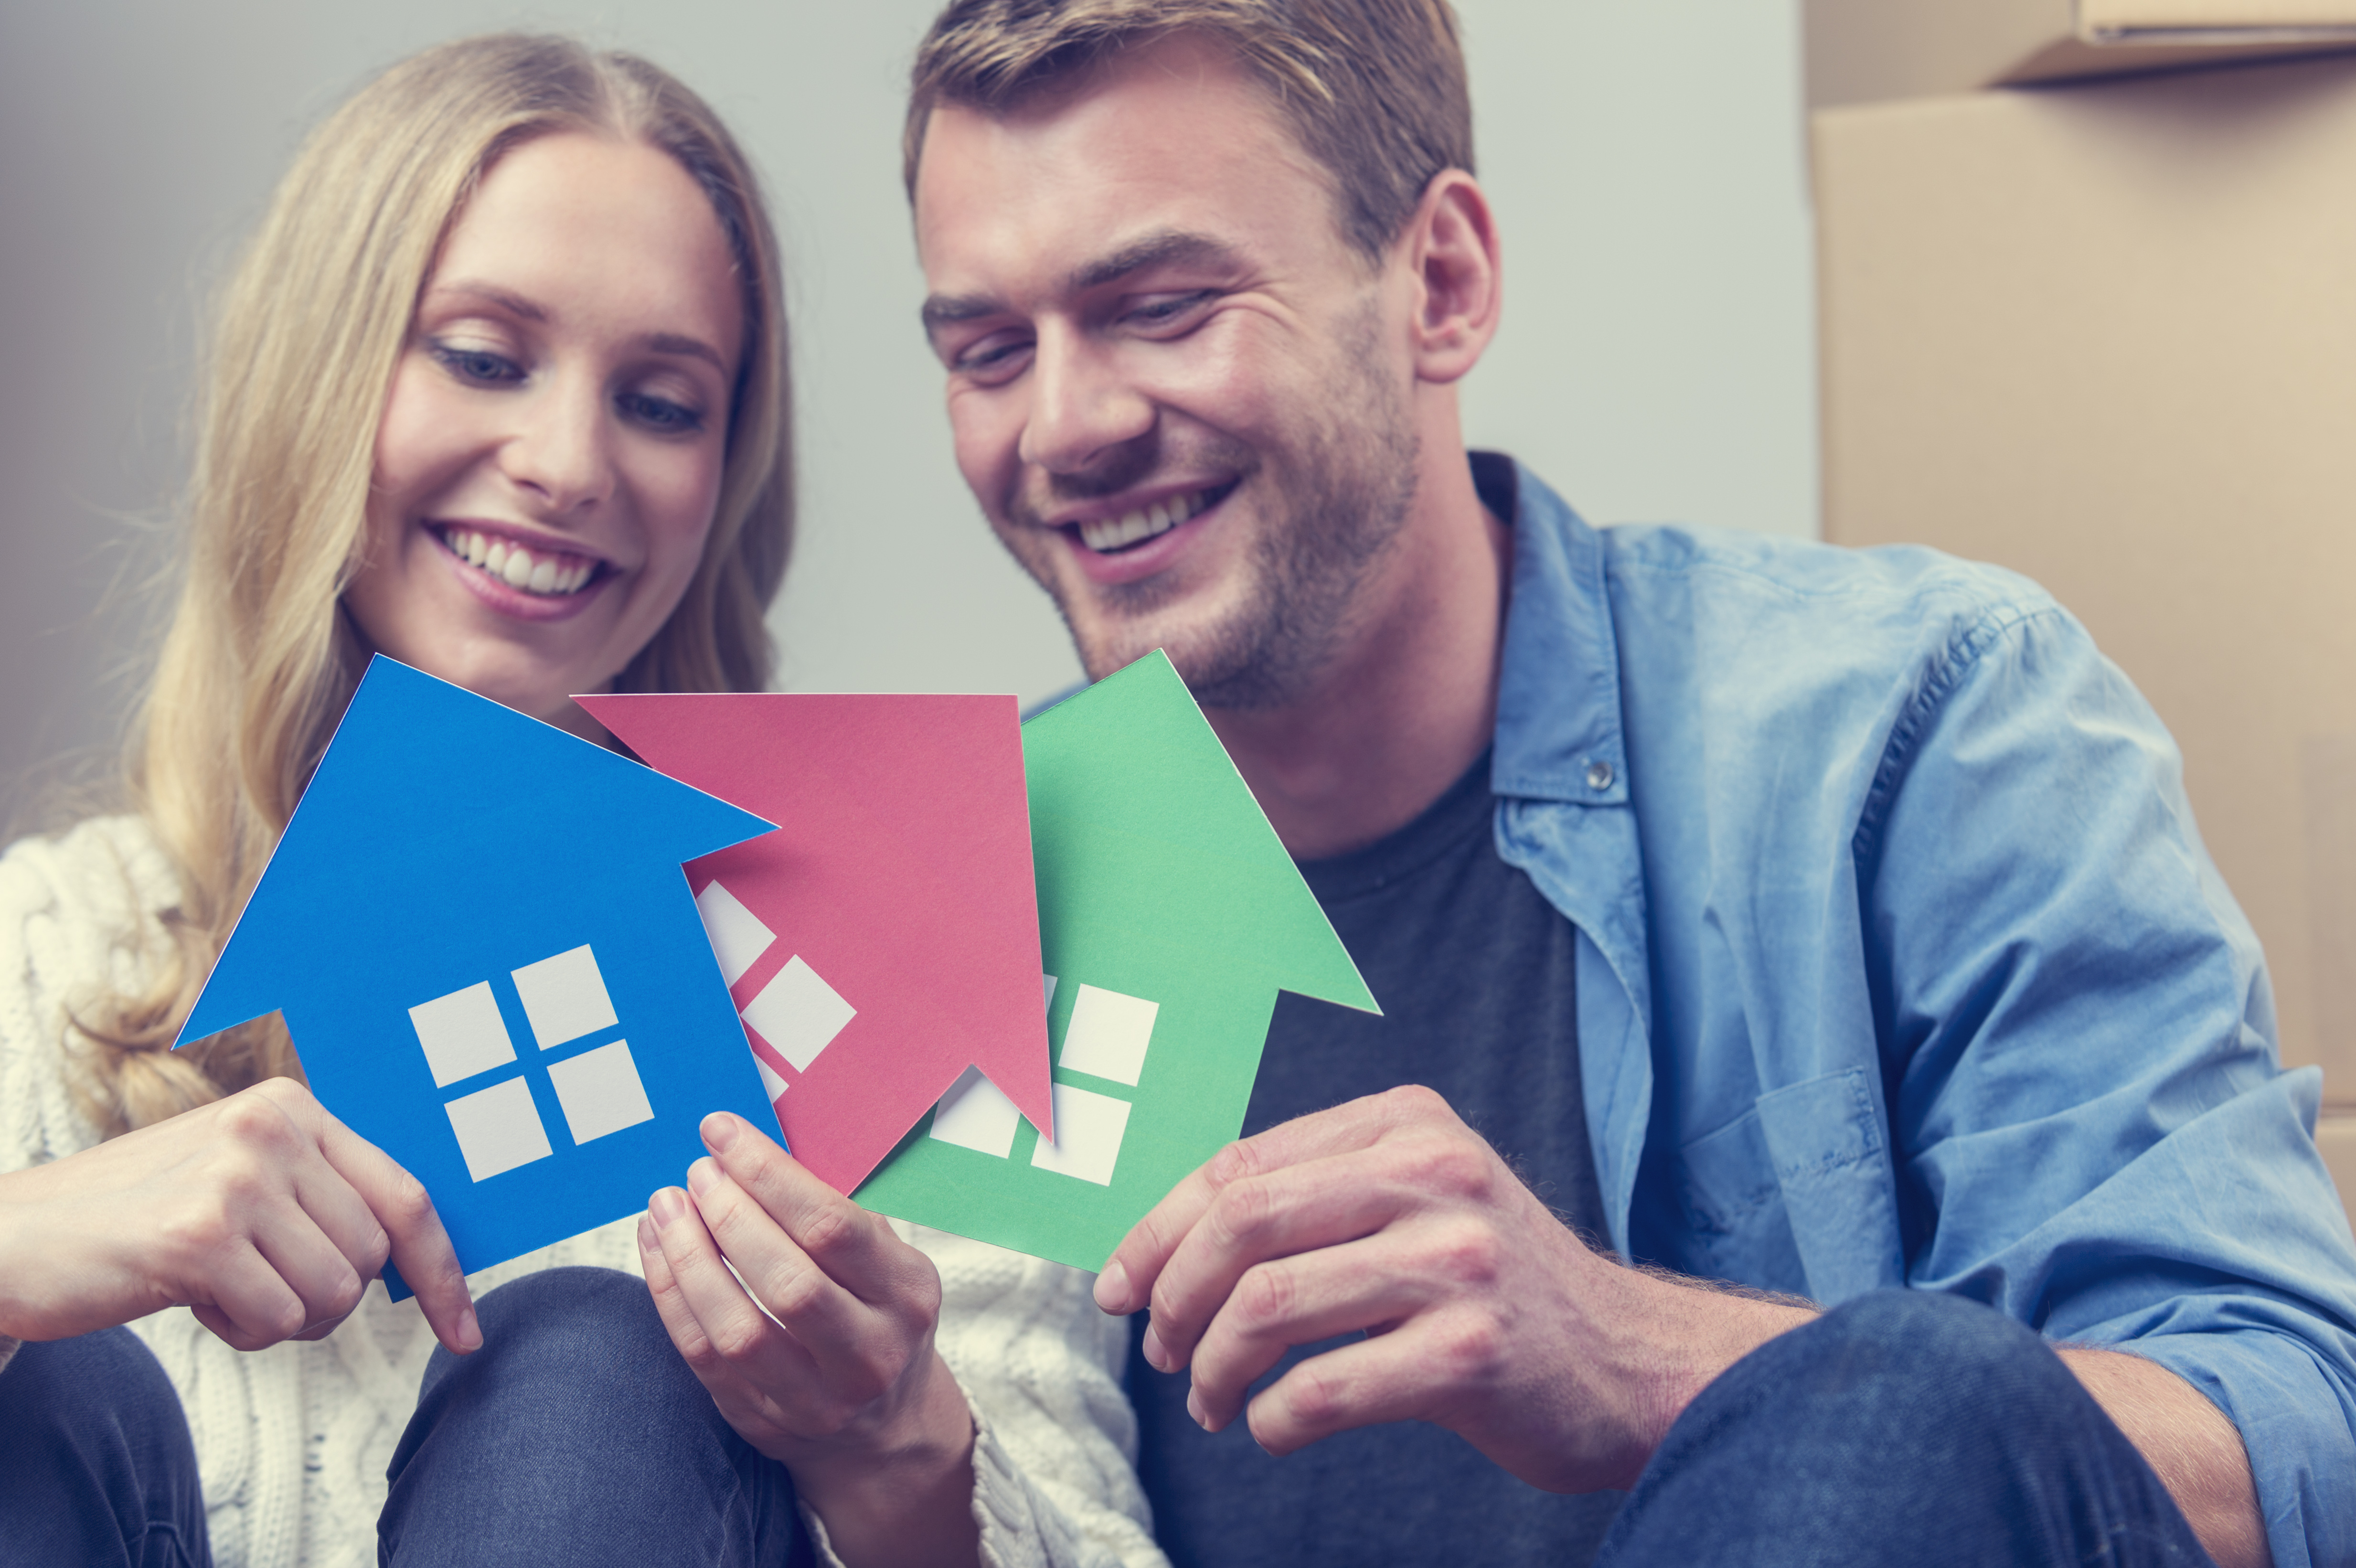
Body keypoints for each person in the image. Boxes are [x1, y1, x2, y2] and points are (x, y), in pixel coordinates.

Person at [899, 2, 2356, 1566]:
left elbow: (2296, 1430)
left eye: (1166, 308)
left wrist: (1633, 1355)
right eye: (989, 352)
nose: (1063, 427)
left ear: (1440, 283)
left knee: (1902, 1392)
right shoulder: (970, 891)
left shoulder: (1916, 723)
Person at [0, 34, 1158, 1568]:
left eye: (663, 403)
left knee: (591, 1365)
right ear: (319, 377)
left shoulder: (878, 972)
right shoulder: (45, 945)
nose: (567, 464)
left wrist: (892, 1451)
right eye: (485, 356)